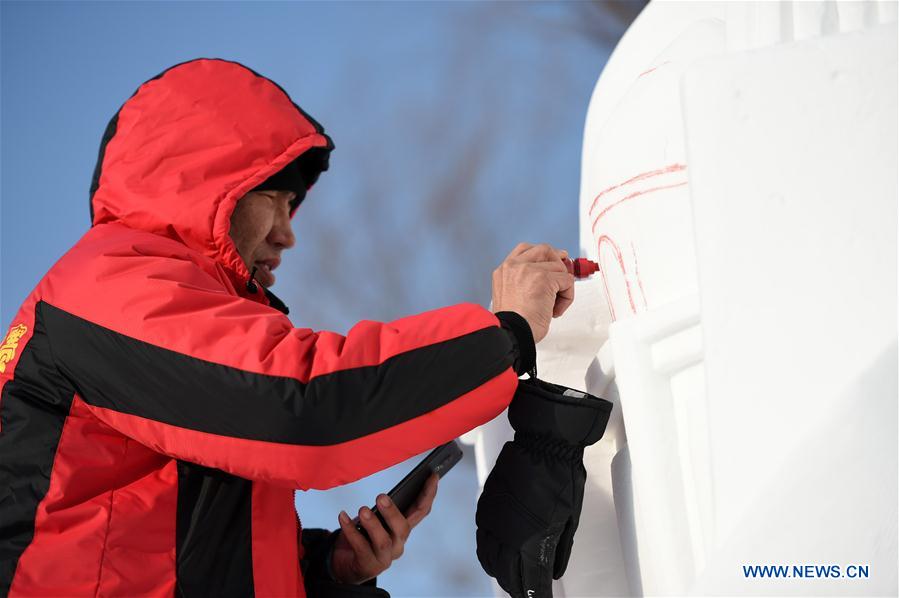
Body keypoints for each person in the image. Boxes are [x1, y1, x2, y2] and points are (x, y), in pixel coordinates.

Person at [0, 58, 574, 597]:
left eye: (291, 203)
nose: (286, 232)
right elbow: (303, 408)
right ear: (200, 185)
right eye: (270, 197)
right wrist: (504, 335)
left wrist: (323, 570)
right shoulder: (110, 284)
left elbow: (166, 548)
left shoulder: (152, 303)